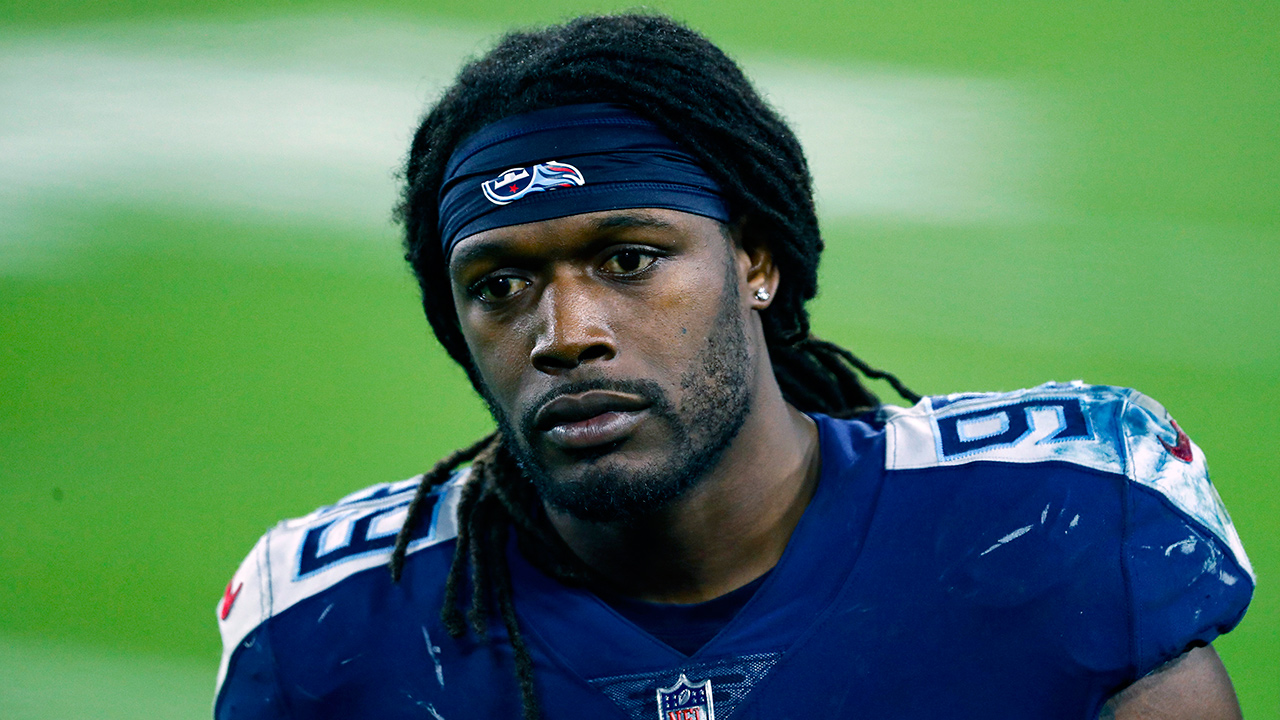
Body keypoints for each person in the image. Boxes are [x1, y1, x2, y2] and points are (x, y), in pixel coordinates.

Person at [213, 14, 1254, 720]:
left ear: (753, 262)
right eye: (499, 284)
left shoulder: (1053, 524)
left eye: (627, 260)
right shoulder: (332, 635)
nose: (563, 332)